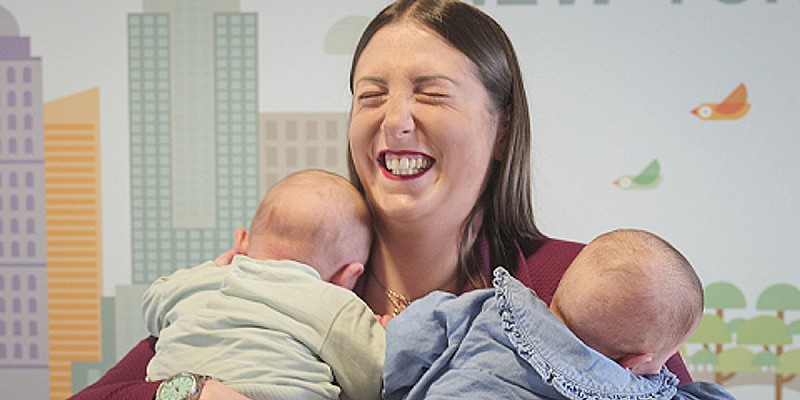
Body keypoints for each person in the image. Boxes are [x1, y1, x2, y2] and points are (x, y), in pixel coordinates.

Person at [69, 1, 692, 399]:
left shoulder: (581, 286)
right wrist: (194, 392)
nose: (395, 120)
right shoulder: (278, 271)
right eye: (371, 96)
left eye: (431, 93)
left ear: (501, 130)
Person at [383, 229, 735, 399]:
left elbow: (405, 346)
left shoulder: (486, 309)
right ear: (635, 363)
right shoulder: (629, 391)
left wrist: (390, 334)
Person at [142, 169, 384, 400]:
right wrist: (381, 335)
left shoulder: (201, 280)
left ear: (242, 240)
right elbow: (372, 381)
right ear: (349, 275)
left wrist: (204, 272)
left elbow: (153, 306)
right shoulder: (334, 303)